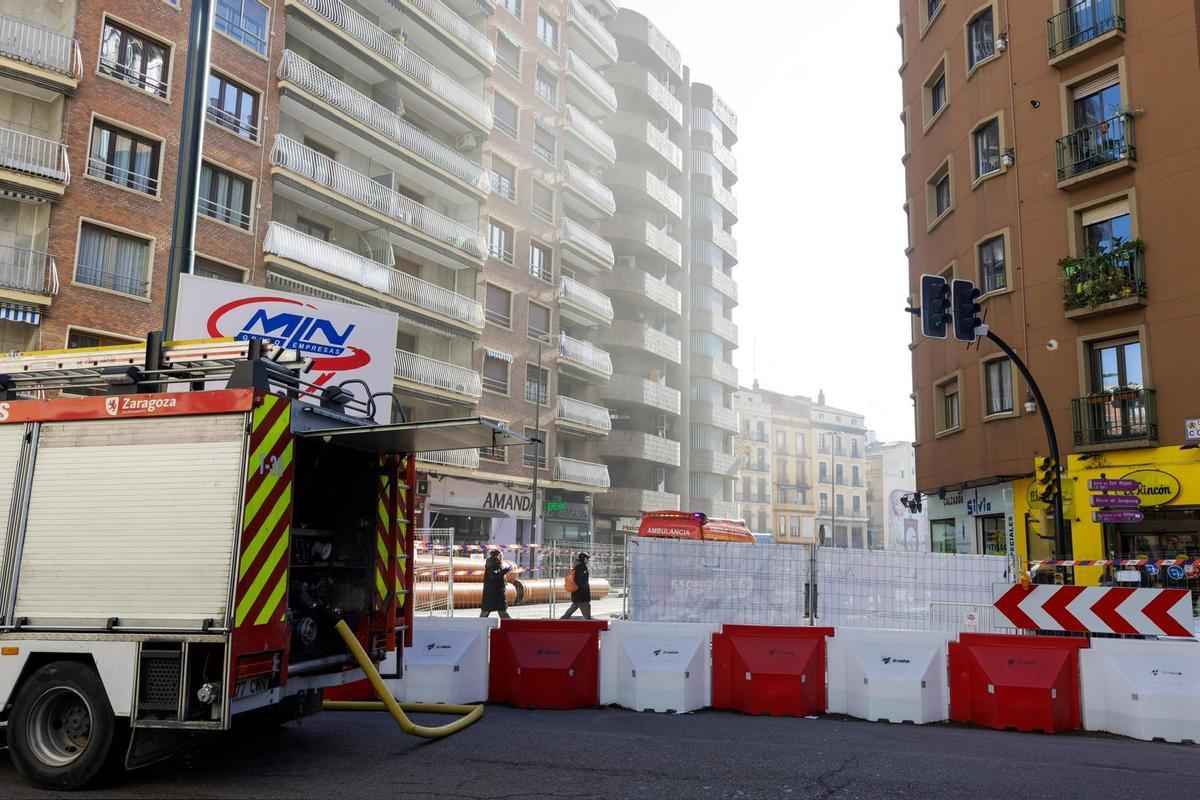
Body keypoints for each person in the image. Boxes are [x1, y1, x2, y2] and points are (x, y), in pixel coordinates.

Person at [480, 549, 511, 619]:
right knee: (488, 611)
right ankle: (511, 625)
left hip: (496, 592)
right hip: (493, 593)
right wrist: (504, 571)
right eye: (501, 556)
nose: (502, 558)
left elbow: (497, 575)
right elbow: (494, 576)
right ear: (497, 556)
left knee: (500, 611)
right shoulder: (492, 565)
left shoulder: (496, 564)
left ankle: (510, 624)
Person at [560, 552, 592, 620]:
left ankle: (562, 620)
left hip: (576, 594)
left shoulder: (577, 567)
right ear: (583, 558)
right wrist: (584, 588)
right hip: (582, 595)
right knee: (587, 615)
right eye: (586, 558)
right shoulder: (581, 567)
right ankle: (589, 626)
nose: (587, 560)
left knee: (572, 608)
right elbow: (578, 580)